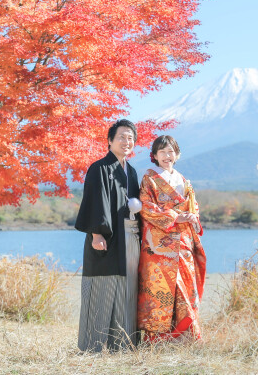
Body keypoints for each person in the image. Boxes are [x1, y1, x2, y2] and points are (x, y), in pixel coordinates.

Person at [74, 119, 142, 352]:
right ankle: (91, 346)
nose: (126, 141)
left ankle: (121, 346)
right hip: (106, 238)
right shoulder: (99, 168)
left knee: (126, 289)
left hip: (129, 238)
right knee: (101, 288)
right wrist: (96, 234)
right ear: (110, 140)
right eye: (121, 137)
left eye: (130, 138)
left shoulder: (131, 171)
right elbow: (95, 203)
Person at [137, 135, 206, 342]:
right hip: (159, 245)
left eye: (171, 152)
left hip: (183, 240)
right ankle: (157, 339)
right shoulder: (149, 179)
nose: (167, 156)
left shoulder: (183, 181)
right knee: (160, 290)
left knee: (185, 286)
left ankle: (184, 336)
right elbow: (146, 207)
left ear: (177, 154)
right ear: (154, 155)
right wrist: (175, 216)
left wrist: (191, 217)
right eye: (162, 152)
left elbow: (193, 207)